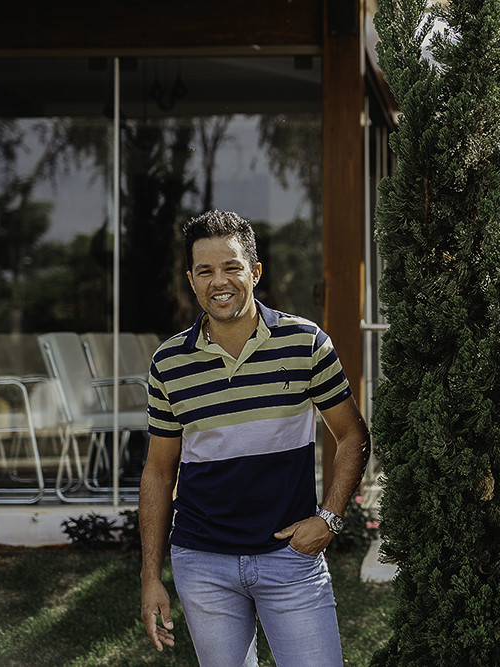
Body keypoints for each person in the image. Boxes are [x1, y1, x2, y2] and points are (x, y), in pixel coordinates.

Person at [139, 210, 371, 667]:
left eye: (231, 267)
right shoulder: (168, 363)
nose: (218, 281)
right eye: (205, 270)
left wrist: (330, 518)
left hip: (290, 558)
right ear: (191, 279)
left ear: (255, 272)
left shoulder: (305, 343)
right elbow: (159, 471)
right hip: (202, 564)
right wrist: (151, 575)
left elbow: (353, 435)